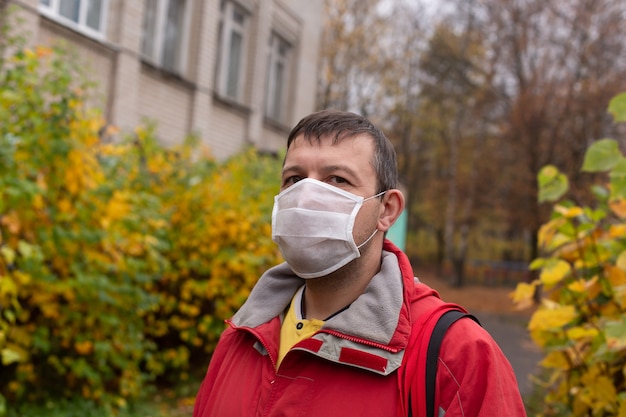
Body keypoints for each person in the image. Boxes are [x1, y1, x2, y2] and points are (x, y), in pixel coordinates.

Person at [192, 110, 527, 417]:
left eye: (337, 179)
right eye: (295, 179)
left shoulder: (456, 356)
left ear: (388, 210)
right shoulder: (241, 336)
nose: (306, 197)